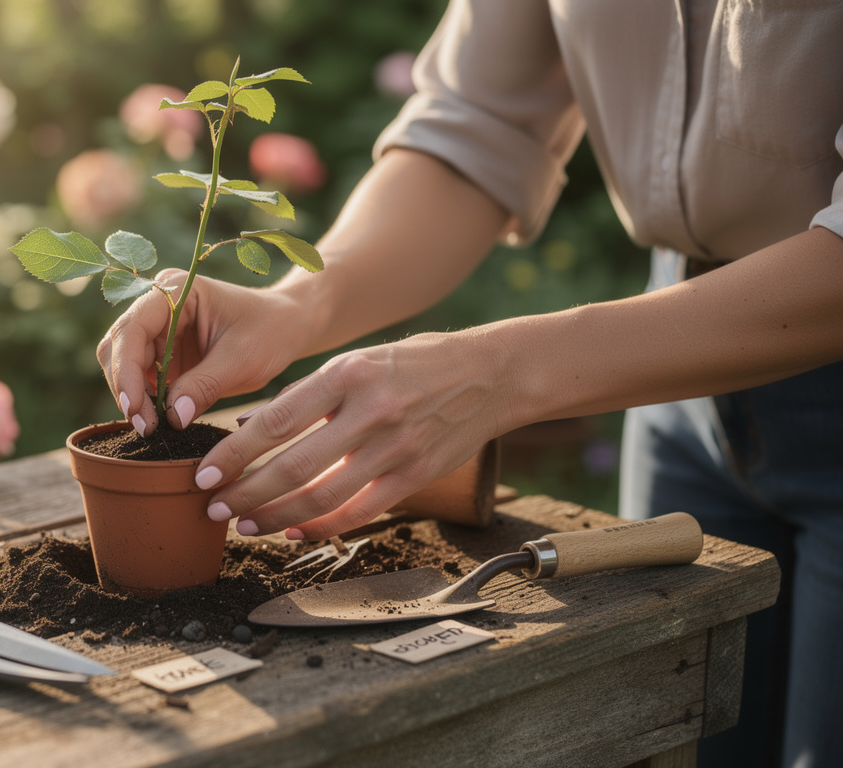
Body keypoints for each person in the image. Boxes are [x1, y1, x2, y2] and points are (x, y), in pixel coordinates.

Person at [96, 3, 843, 767]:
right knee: (678, 713)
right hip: (675, 367)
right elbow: (479, 123)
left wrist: (501, 372)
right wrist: (299, 303)